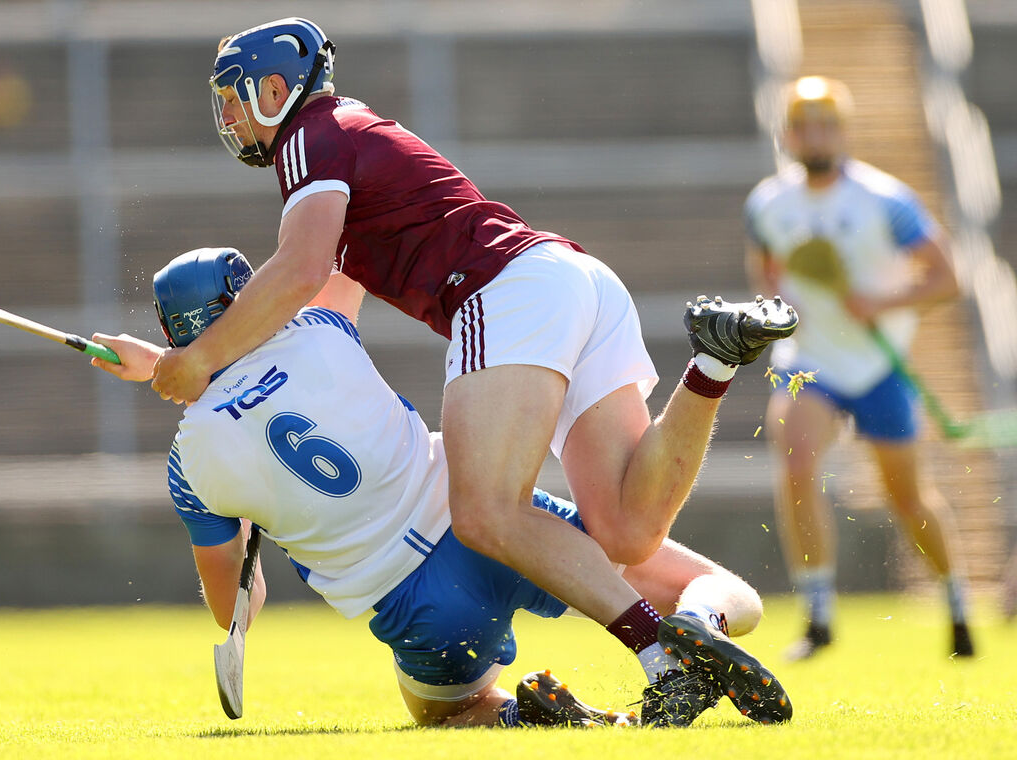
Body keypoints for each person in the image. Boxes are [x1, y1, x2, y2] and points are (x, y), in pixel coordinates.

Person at [132, 18, 798, 715]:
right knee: (628, 532)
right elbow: (299, 310)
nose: (229, 116)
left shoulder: (308, 137)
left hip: (502, 292)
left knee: (484, 513)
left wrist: (202, 353)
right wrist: (186, 364)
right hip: (572, 279)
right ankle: (713, 371)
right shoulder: (342, 135)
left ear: (277, 87)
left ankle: (662, 657)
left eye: (236, 98)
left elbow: (299, 272)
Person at [92, 247, 792, 727]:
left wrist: (246, 519)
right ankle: (703, 622)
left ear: (173, 333)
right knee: (723, 590)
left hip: (422, 613)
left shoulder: (189, 466)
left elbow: (235, 614)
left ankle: (538, 719)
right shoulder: (320, 329)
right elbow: (335, 268)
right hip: (498, 524)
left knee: (440, 707)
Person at [744, 75, 974, 659]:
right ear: (788, 134)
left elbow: (947, 279)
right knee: (795, 467)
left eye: (824, 124)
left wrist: (882, 303)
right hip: (809, 362)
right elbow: (766, 270)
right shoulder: (768, 203)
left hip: (878, 364)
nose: (812, 135)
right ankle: (818, 616)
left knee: (907, 497)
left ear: (841, 132)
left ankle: (955, 601)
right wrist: (780, 311)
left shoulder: (885, 200)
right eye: (801, 124)